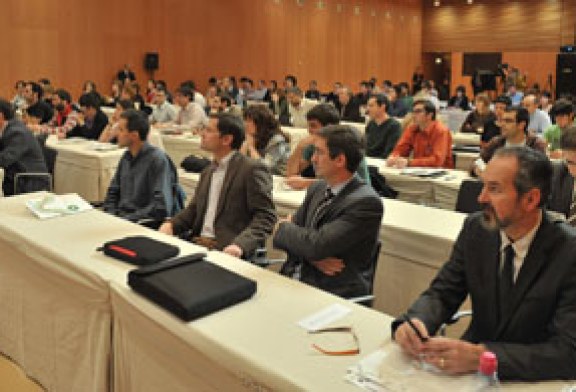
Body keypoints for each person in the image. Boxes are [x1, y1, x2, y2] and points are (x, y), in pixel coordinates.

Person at [393, 146, 576, 381]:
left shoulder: (568, 253)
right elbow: (443, 292)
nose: (481, 198)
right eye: (484, 185)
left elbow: (568, 353)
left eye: (495, 189)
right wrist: (416, 321)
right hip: (469, 370)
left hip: (533, 378)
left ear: (531, 199)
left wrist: (485, 356)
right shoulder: (476, 229)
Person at [273, 125, 383, 298]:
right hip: (291, 279)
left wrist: (284, 227)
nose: (313, 159)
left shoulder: (366, 203)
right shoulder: (317, 188)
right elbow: (302, 244)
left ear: (340, 160)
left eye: (319, 152)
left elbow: (314, 245)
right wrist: (313, 257)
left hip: (331, 292)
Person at [158, 113, 276, 259]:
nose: (202, 134)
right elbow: (194, 210)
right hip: (196, 243)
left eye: (208, 130)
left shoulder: (251, 169)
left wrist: (240, 245)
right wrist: (171, 225)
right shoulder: (208, 171)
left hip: (227, 249)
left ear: (226, 139)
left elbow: (266, 216)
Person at [103, 110, 175, 222]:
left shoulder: (157, 160)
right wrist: (111, 215)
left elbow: (160, 206)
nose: (117, 134)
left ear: (134, 135)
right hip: (121, 219)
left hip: (141, 223)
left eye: (121, 130)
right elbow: (113, 192)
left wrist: (126, 219)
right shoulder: (126, 156)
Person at [285, 103, 371, 190]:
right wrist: (300, 147)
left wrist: (307, 183)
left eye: (313, 126)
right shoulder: (315, 143)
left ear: (329, 127)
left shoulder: (348, 144)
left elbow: (349, 184)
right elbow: (291, 175)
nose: (309, 130)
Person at [471, 107, 547, 177]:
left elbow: (539, 174)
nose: (502, 125)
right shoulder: (497, 142)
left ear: (521, 125)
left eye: (508, 121)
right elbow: (478, 162)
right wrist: (478, 169)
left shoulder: (535, 144)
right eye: (502, 120)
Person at [0, 98, 49, 196]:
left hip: (29, 181)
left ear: (0, 115)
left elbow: (4, 159)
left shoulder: (17, 132)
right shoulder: (8, 128)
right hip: (16, 176)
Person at [387, 99, 453, 169]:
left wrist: (409, 162)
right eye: (413, 112)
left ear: (429, 115)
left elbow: (437, 161)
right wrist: (394, 157)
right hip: (418, 170)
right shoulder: (412, 129)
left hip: (441, 172)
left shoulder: (441, 131)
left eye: (418, 112)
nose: (413, 115)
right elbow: (401, 149)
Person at [241, 105, 290, 176]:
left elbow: (265, 167)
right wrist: (245, 144)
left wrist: (251, 147)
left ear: (261, 123)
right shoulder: (252, 136)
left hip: (278, 178)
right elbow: (239, 162)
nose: (245, 124)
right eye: (245, 120)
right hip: (259, 176)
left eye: (249, 121)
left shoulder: (277, 140)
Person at [364, 94, 401, 158]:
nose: (367, 109)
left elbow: (389, 152)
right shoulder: (371, 124)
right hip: (368, 159)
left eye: (371, 106)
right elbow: (365, 147)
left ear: (382, 107)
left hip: (382, 162)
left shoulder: (394, 126)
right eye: (367, 106)